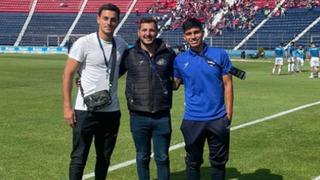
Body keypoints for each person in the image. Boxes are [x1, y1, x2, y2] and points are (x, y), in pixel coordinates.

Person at [62, 4, 128, 180]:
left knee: (104, 158)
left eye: (113, 19)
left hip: (111, 111)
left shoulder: (121, 44)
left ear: (117, 21)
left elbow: (120, 70)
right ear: (98, 19)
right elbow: (68, 74)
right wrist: (67, 108)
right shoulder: (84, 43)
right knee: (78, 157)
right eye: (105, 18)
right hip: (85, 111)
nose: (109, 22)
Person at [173, 18, 233, 180]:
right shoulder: (180, 60)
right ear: (184, 37)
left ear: (203, 32)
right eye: (189, 34)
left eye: (196, 32)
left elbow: (228, 84)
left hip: (218, 118)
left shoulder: (219, 54)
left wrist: (228, 115)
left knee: (218, 163)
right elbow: (174, 84)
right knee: (192, 163)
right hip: (192, 119)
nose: (193, 37)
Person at [119, 18, 176, 180]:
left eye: (151, 30)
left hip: (162, 115)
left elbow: (178, 77)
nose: (148, 34)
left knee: (162, 158)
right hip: (138, 115)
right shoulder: (129, 55)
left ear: (156, 32)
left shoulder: (168, 53)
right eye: (144, 30)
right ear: (139, 32)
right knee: (142, 156)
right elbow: (112, 75)